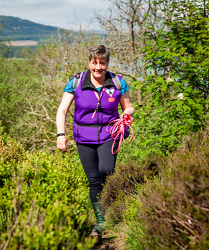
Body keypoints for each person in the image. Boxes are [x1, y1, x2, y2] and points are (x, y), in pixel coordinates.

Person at [56, 44, 135, 237]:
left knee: (106, 172)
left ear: (107, 63)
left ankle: (112, 212)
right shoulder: (76, 82)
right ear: (89, 62)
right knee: (93, 180)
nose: (98, 67)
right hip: (84, 137)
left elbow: (129, 106)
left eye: (102, 63)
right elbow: (62, 110)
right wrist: (61, 134)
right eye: (94, 63)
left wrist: (126, 115)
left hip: (110, 134)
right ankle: (101, 222)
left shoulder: (117, 82)